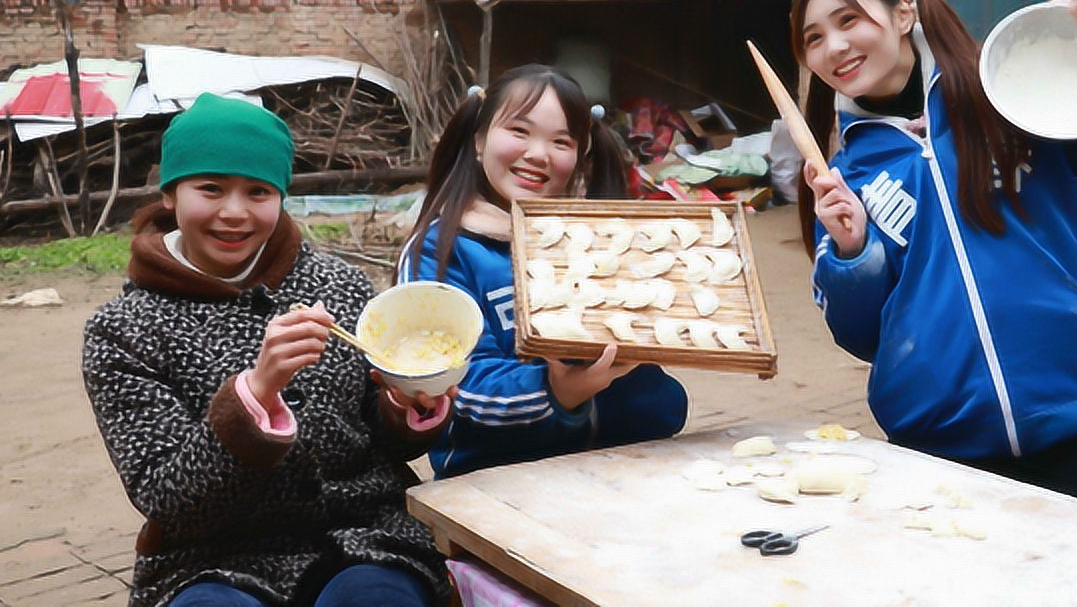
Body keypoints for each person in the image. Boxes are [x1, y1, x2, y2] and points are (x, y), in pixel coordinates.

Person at [793, 0, 1077, 520]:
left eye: (849, 20)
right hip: (941, 447)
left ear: (904, 12)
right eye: (813, 37)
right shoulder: (844, 180)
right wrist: (854, 253)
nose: (834, 46)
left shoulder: (1010, 92)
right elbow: (859, 334)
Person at [83, 93, 454, 607]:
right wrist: (254, 395)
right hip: (210, 558)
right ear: (170, 193)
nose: (234, 213)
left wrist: (406, 402)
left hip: (365, 536)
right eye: (210, 188)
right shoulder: (124, 331)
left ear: (281, 197)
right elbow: (167, 498)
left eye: (258, 191)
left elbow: (380, 436)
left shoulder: (339, 286)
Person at [395, 65, 689, 479]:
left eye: (561, 141)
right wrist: (558, 392)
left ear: (581, 154)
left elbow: (648, 372)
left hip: (629, 469)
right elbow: (447, 384)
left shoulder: (600, 243)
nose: (538, 153)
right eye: (519, 131)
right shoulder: (439, 252)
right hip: (496, 490)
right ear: (479, 139)